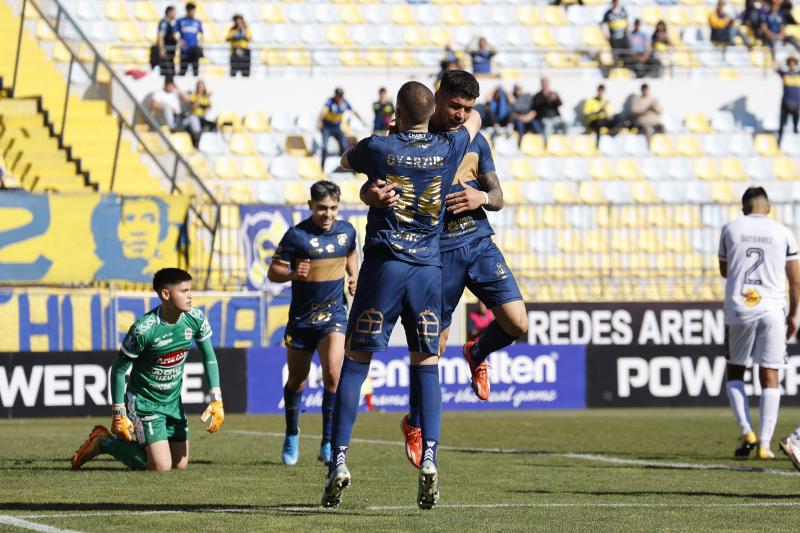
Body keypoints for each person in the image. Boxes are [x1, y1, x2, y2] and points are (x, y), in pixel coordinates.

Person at [320, 76, 482, 510]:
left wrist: (367, 189)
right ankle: (429, 458)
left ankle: (338, 462)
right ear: (433, 114)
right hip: (428, 269)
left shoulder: (379, 147)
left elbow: (343, 158)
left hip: (384, 265)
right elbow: (476, 120)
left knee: (355, 364)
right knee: (426, 365)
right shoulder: (449, 148)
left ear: (395, 111)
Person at [362, 72, 527, 470]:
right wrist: (374, 193)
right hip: (435, 252)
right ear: (437, 99)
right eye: (455, 106)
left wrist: (481, 196)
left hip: (478, 243)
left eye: (468, 109)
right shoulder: (401, 138)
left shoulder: (474, 142)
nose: (460, 114)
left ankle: (477, 351)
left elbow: (500, 197)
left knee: (518, 324)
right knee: (430, 349)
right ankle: (414, 424)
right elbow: (372, 185)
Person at [71, 268, 225, 471]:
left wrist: (216, 398)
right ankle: (103, 442)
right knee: (161, 467)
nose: (190, 296)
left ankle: (121, 444)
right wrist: (119, 412)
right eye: (184, 291)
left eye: (190, 290)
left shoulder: (195, 319)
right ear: (165, 295)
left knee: (179, 465)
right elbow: (118, 370)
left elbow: (209, 357)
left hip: (172, 402)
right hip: (144, 403)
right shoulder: (144, 330)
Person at [267, 181, 358, 466]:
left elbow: (352, 252)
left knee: (333, 373)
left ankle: (328, 442)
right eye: (321, 208)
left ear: (339, 207)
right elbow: (273, 272)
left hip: (334, 315)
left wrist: (353, 275)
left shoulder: (347, 232)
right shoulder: (296, 235)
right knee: (298, 380)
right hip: (302, 319)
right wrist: (293, 272)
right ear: (310, 206)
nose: (327, 214)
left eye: (332, 208)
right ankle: (292, 433)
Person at [719, 187, 800, 460]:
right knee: (771, 375)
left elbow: (724, 269)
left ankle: (746, 430)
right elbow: (796, 279)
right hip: (773, 309)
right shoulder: (783, 232)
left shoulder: (730, 228)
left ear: (744, 208)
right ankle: (764, 445)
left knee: (735, 371)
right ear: (769, 207)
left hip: (740, 307)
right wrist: (793, 314)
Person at [317, 88, 363, 169]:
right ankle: (322, 167)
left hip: (337, 128)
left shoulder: (344, 103)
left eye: (341, 96)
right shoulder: (330, 102)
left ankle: (345, 166)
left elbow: (353, 110)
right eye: (338, 96)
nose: (339, 98)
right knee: (324, 147)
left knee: (344, 146)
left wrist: (361, 119)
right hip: (327, 127)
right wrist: (319, 121)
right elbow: (323, 111)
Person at [175, 2, 204, 76]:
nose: (194, 13)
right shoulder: (180, 21)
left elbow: (201, 34)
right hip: (185, 50)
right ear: (187, 10)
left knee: (195, 71)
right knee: (183, 71)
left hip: (194, 49)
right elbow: (174, 32)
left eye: (194, 11)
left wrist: (201, 43)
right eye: (192, 11)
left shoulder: (197, 22)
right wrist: (179, 40)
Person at [778, 56, 800, 143]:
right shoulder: (784, 74)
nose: (792, 65)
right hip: (786, 102)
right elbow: (775, 68)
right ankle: (779, 142)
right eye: (790, 63)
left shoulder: (798, 74)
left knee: (795, 125)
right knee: (782, 124)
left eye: (793, 63)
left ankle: (795, 145)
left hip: (796, 103)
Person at [602, 0, 630, 65]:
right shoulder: (608, 13)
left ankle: (626, 66)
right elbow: (604, 24)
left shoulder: (623, 11)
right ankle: (617, 66)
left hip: (623, 38)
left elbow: (627, 23)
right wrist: (607, 34)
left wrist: (627, 32)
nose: (615, 3)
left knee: (626, 54)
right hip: (614, 38)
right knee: (616, 54)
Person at [186, 80, 212, 147]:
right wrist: (199, 99)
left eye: (201, 87)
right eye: (199, 87)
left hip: (202, 117)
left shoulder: (205, 97)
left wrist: (208, 98)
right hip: (195, 116)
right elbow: (193, 108)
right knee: (196, 126)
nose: (200, 88)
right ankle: (197, 143)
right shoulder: (193, 96)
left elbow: (209, 107)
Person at [156, 6, 178, 77]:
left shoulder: (169, 23)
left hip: (170, 52)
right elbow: (161, 36)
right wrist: (162, 48)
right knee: (167, 72)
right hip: (166, 52)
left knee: (170, 72)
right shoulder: (164, 23)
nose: (175, 14)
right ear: (169, 12)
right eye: (174, 12)